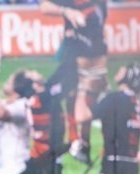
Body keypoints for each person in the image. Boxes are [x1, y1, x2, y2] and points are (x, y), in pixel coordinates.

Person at [40, 0, 108, 165]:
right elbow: (44, 6)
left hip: (92, 53)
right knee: (63, 95)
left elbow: (100, 25)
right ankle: (74, 141)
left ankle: (81, 143)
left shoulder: (98, 6)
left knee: (84, 97)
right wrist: (66, 11)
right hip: (76, 52)